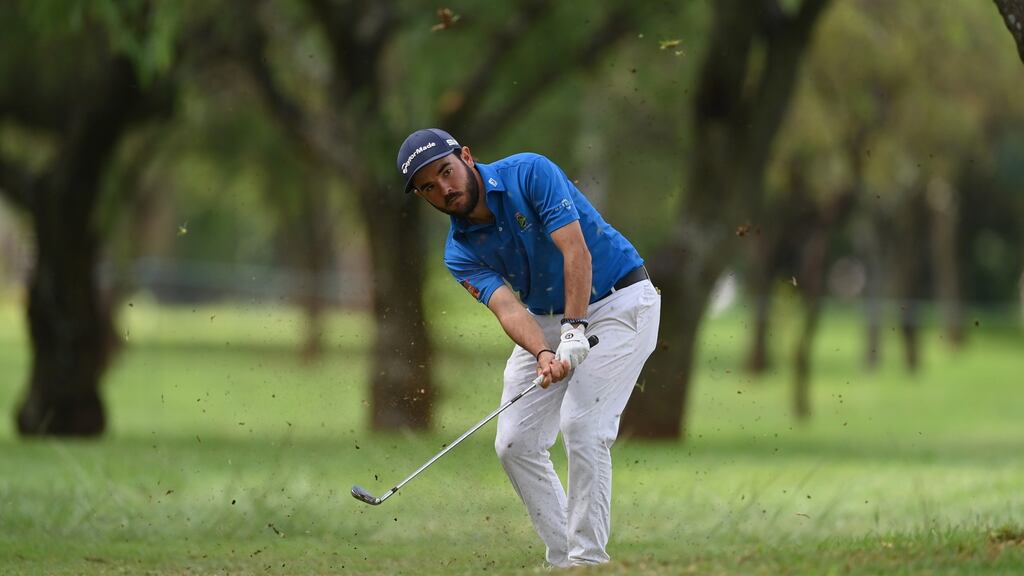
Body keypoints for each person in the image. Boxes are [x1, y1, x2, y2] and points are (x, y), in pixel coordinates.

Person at [396, 128, 661, 568]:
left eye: (446, 172)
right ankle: (565, 559)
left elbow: (575, 250)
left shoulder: (530, 172)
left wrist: (575, 329)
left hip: (620, 301)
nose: (444, 189)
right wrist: (543, 353)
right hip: (545, 317)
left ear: (466, 156)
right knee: (515, 443)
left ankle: (587, 561)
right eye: (428, 187)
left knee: (582, 424)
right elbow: (509, 311)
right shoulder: (458, 251)